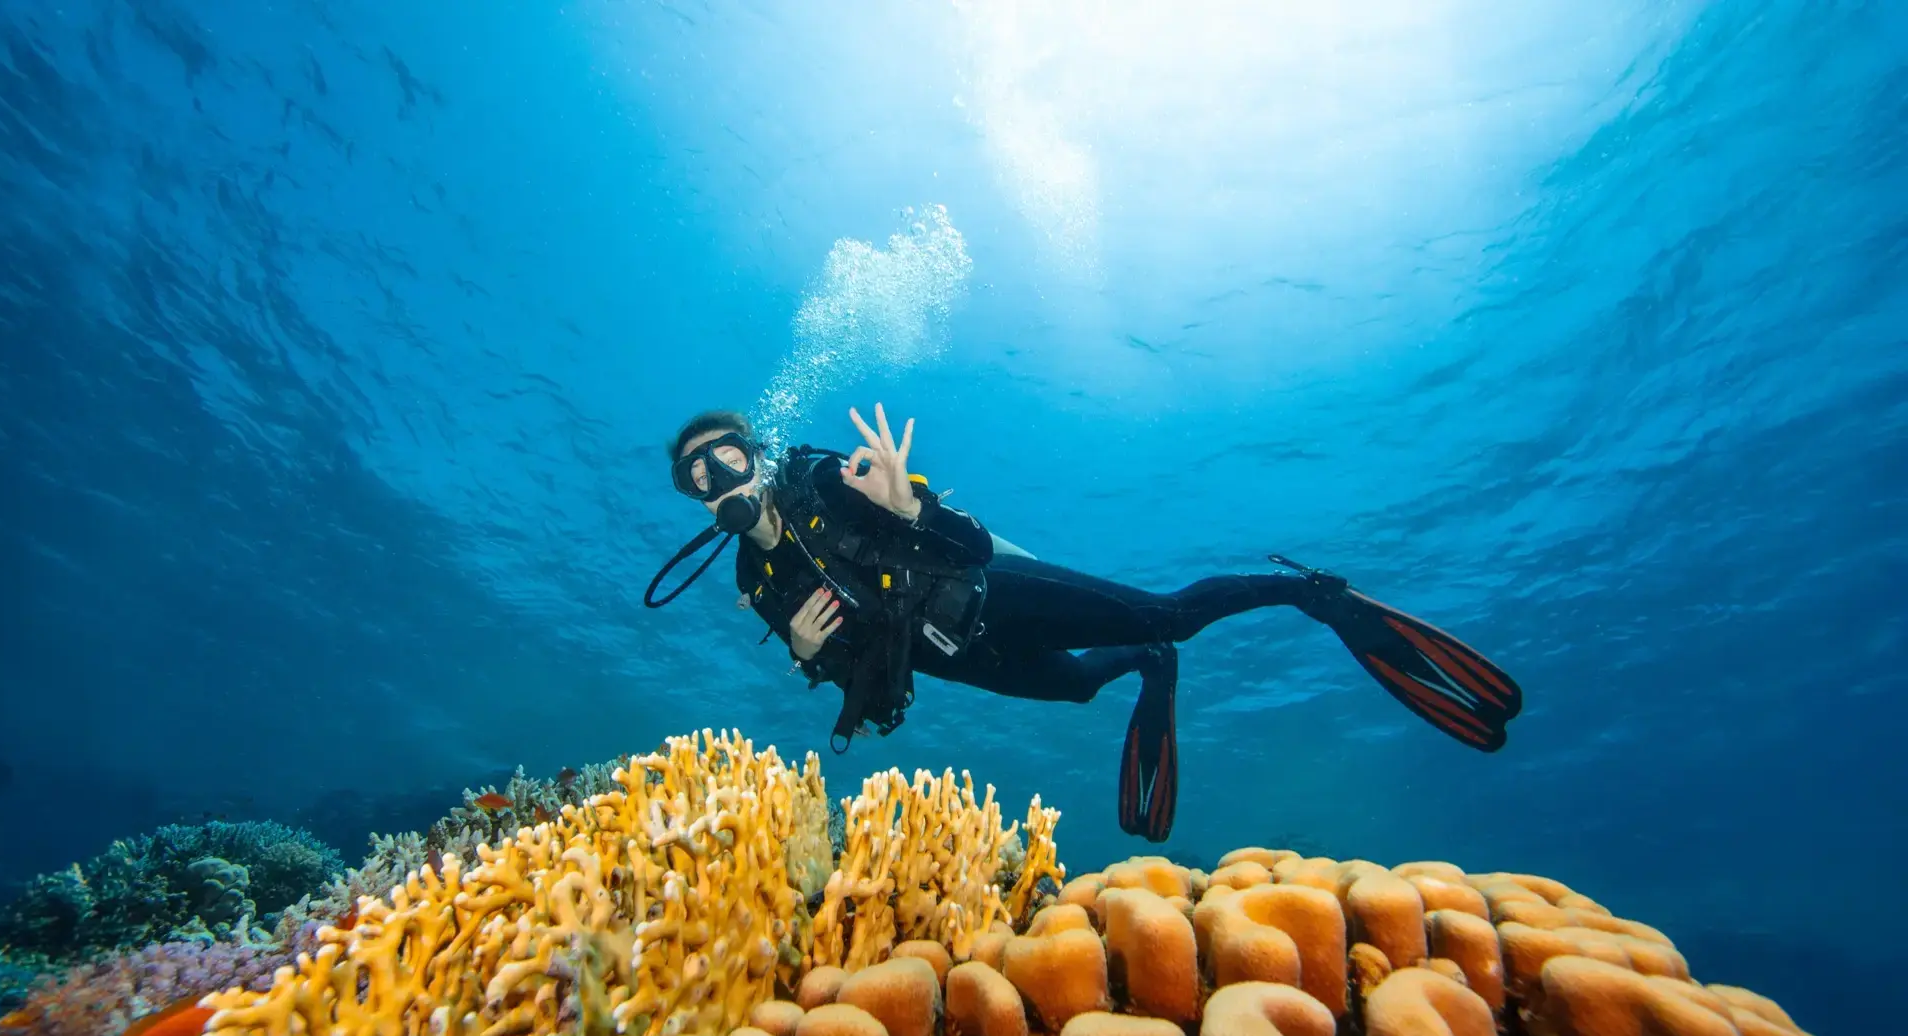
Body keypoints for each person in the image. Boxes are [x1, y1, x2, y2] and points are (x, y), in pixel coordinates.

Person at [645, 403, 1522, 842]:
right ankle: (1147, 666)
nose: (718, 478)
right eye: (697, 476)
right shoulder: (753, 579)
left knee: (1170, 612)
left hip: (996, 595)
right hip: (961, 660)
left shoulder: (827, 481)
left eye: (726, 457)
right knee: (1076, 691)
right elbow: (862, 692)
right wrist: (808, 658)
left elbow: (973, 543)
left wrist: (911, 513)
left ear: (755, 453)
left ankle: (1311, 595)